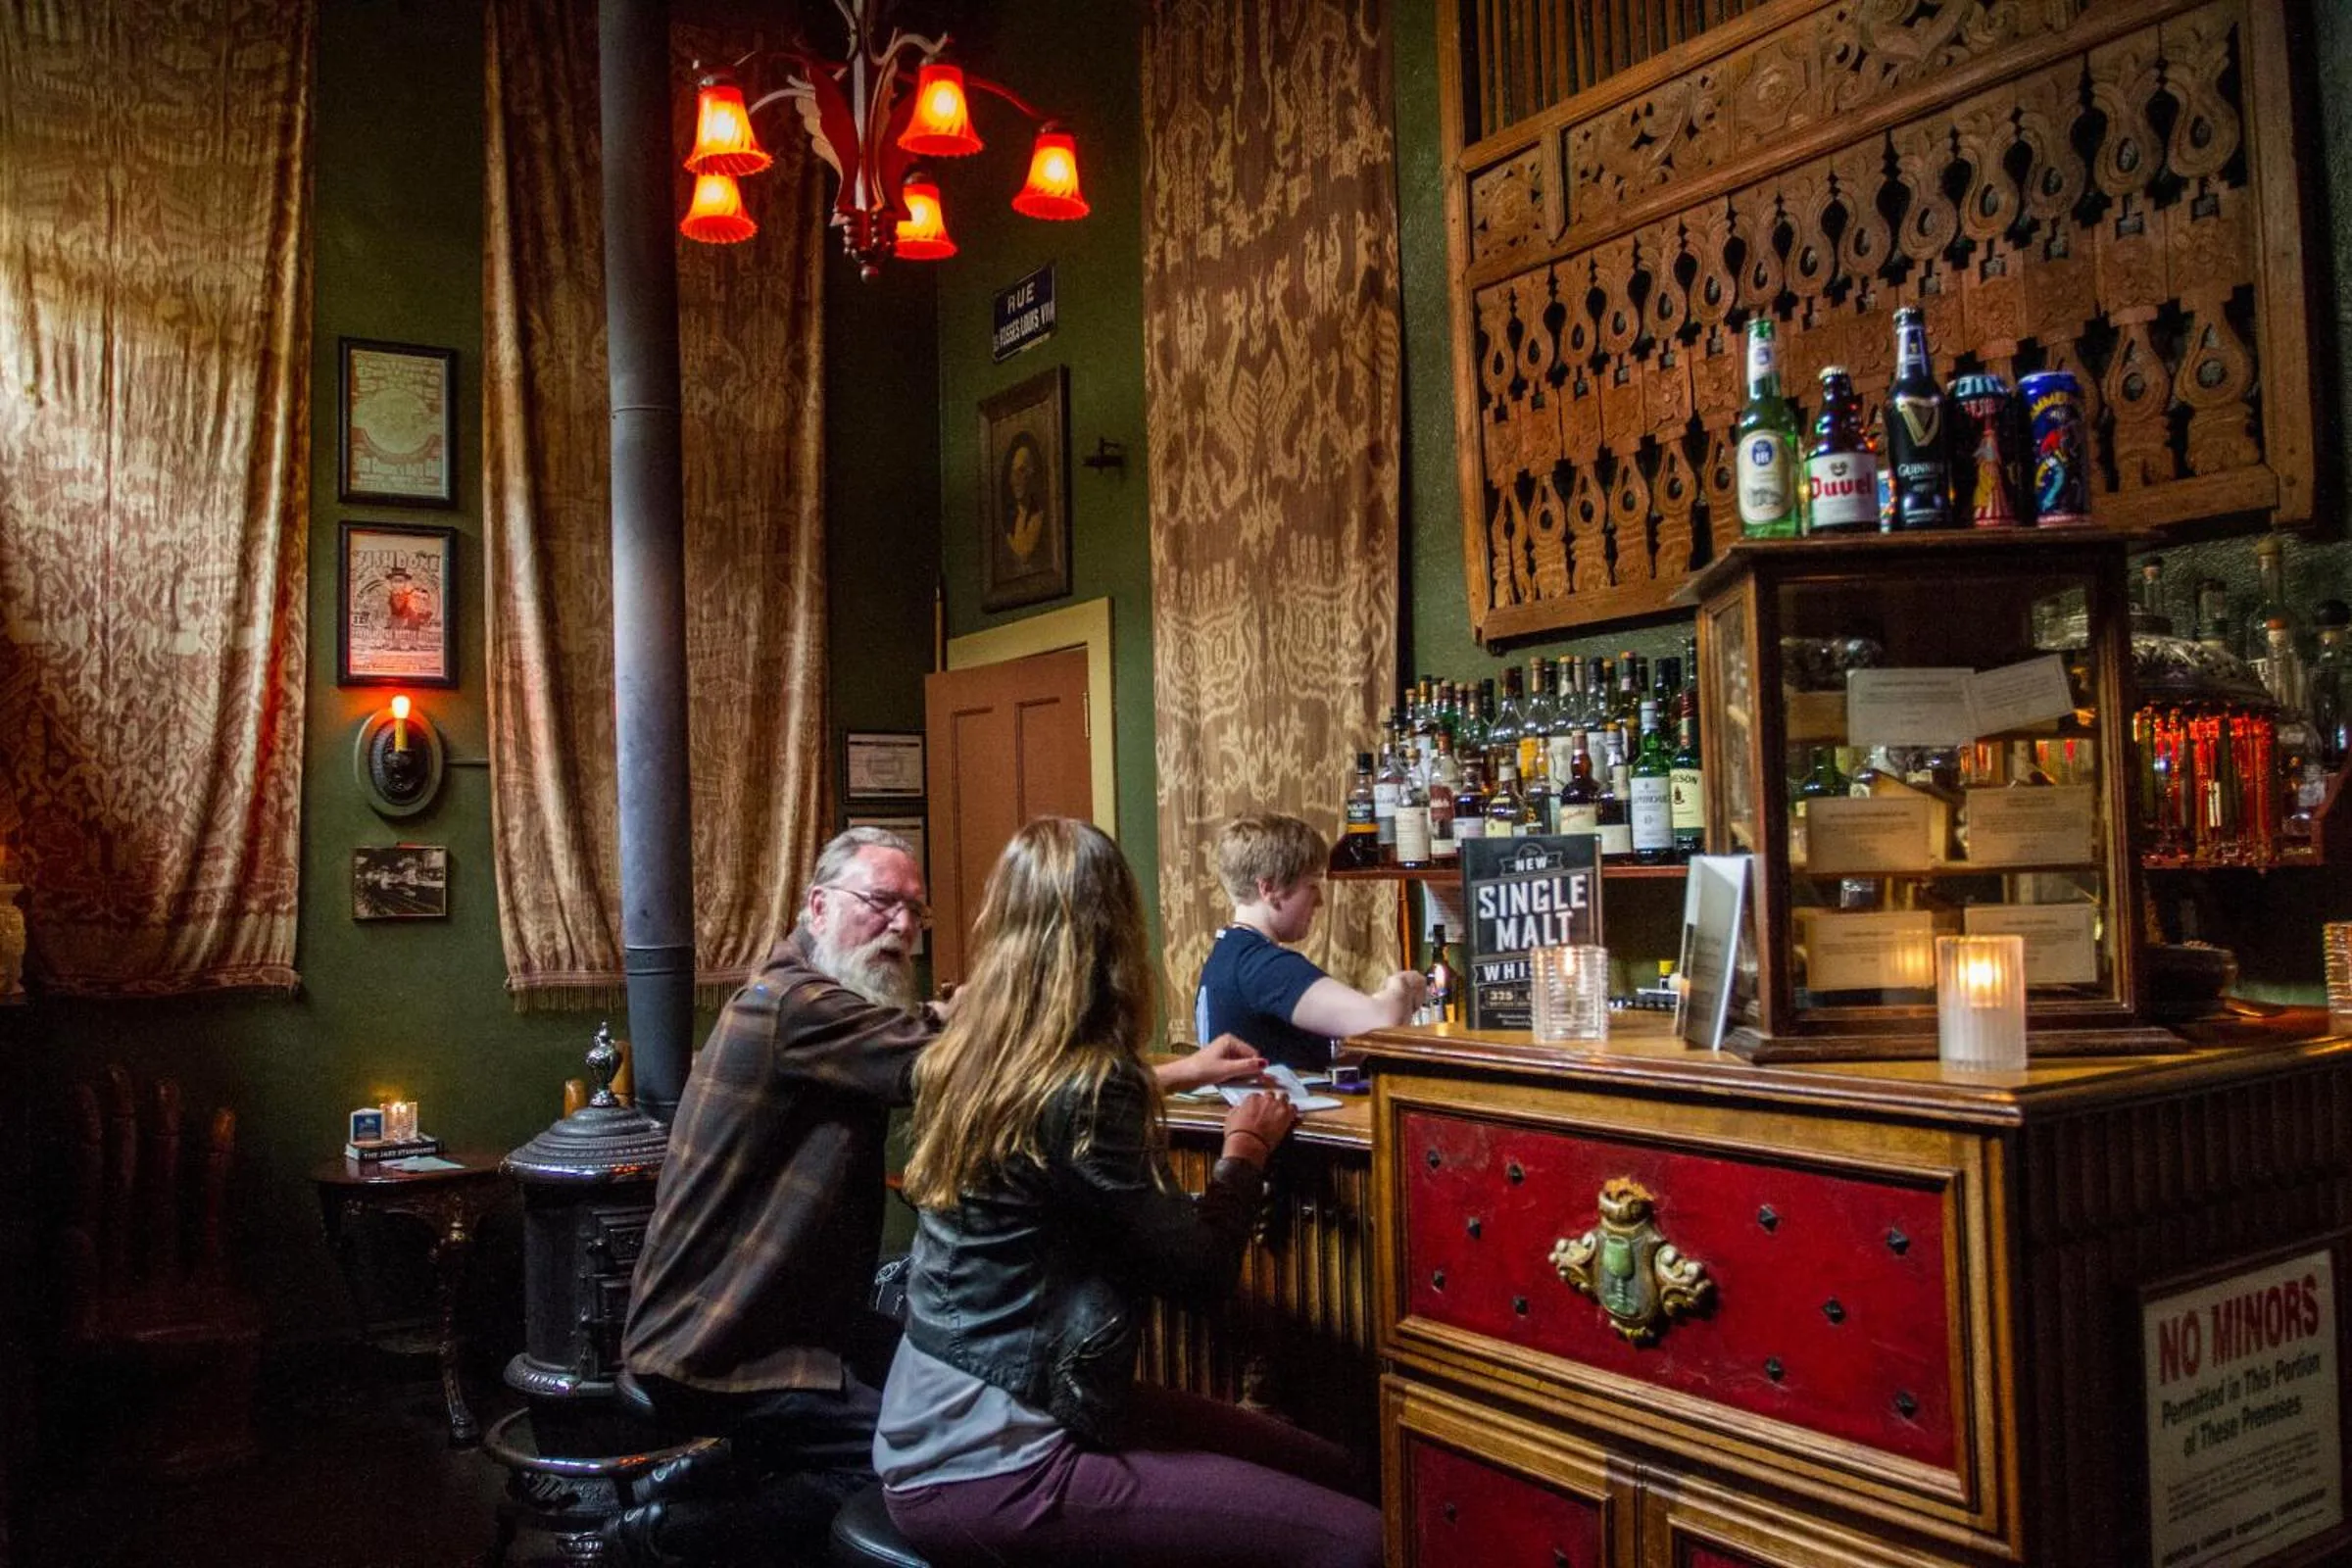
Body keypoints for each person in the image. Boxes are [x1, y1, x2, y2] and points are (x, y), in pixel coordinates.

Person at [617, 826, 1261, 1562]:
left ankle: (706, 1476)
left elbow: (976, 1064)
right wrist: (1180, 1079)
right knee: (910, 1462)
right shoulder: (797, 1008)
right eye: (880, 903)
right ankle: (677, 1534)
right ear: (818, 905)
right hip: (729, 1340)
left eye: (915, 914)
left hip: (777, 1318)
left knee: (937, 1380)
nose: (900, 927)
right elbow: (1003, 1085)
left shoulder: (803, 999)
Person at [878, 816, 1383, 1568]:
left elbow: (1045, 1100)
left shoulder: (963, 1054)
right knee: (1361, 1542)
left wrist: (1181, 1073)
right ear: (1115, 932)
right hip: (998, 1462)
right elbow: (1199, 1272)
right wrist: (1246, 1148)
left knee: (1330, 1466)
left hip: (944, 1420)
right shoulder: (1089, 1088)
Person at [1194, 813, 1426, 1072]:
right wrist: (1401, 986)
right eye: (1312, 885)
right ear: (1269, 889)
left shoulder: (1230, 953)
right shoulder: (1263, 967)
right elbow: (1383, 1020)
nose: (1319, 902)